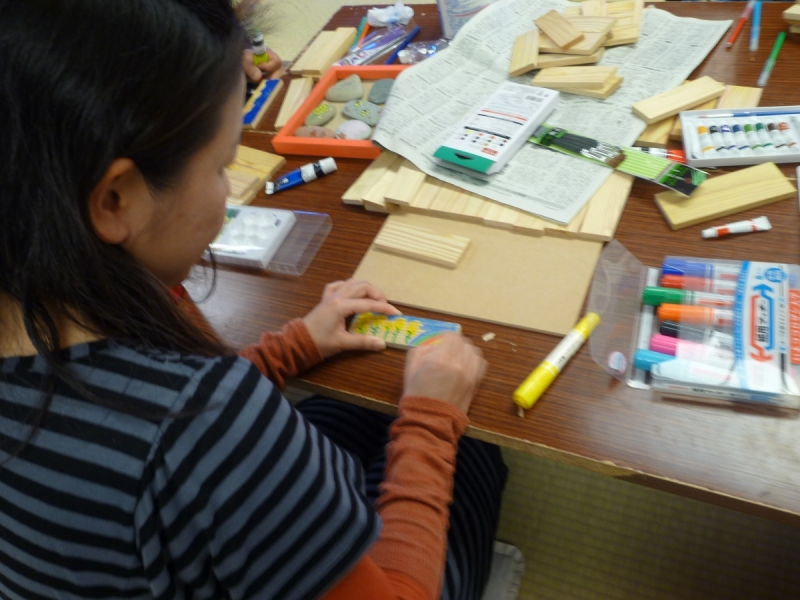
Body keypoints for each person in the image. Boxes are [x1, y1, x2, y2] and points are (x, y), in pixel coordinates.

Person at [0, 1, 507, 599]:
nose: (226, 192)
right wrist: (431, 417)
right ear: (116, 199)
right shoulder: (207, 419)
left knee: (353, 416)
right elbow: (195, 431)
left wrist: (295, 345)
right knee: (475, 454)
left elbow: (168, 426)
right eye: (222, 166)